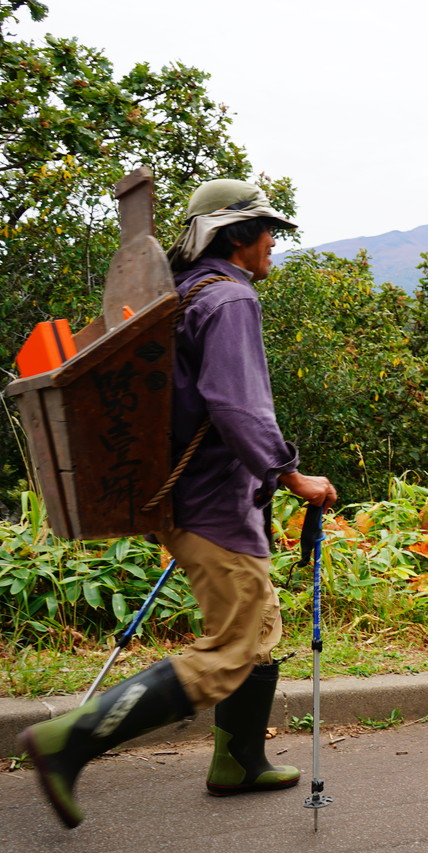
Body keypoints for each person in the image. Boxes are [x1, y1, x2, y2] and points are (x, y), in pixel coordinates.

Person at [18, 179, 337, 828]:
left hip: (189, 500)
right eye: (266, 229)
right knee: (230, 648)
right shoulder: (229, 298)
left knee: (259, 623)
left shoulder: (185, 293)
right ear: (237, 237)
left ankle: (238, 761)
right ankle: (70, 739)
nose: (274, 240)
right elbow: (237, 403)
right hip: (215, 505)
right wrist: (291, 475)